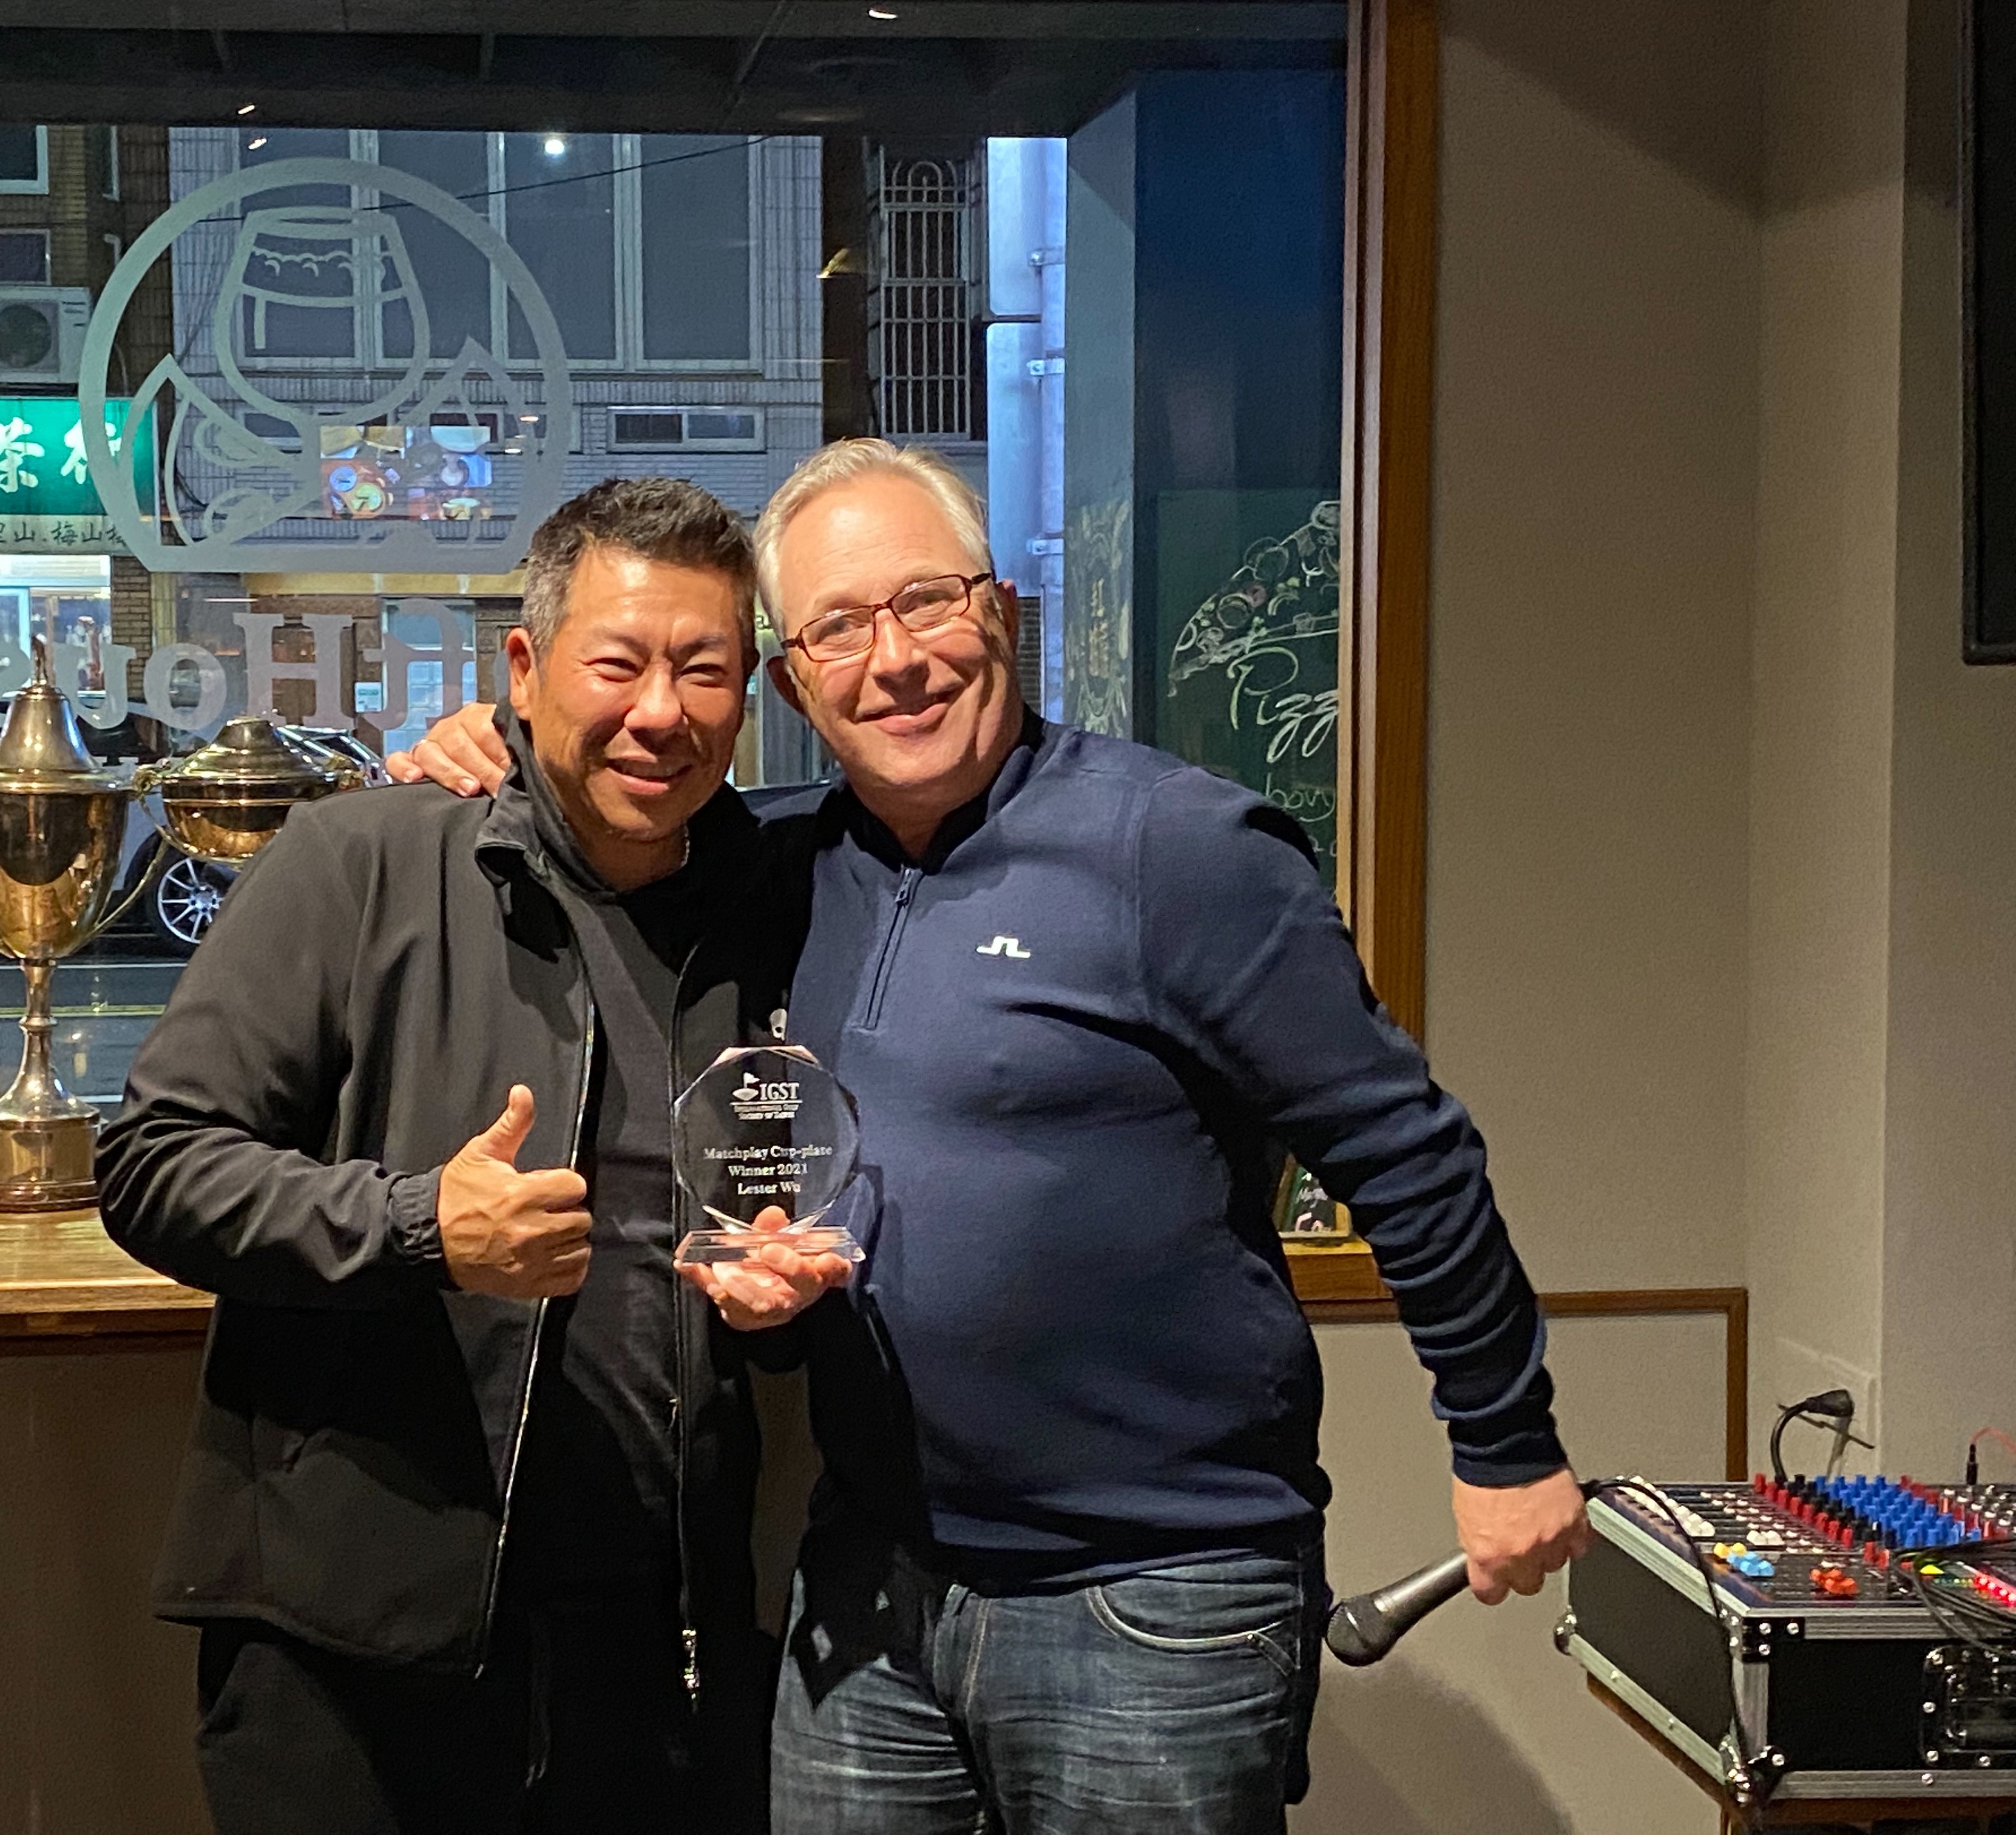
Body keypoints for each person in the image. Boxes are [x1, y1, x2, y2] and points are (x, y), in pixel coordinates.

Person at [390, 440, 1591, 1835]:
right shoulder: (779, 863)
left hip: (1152, 1596)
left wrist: (1506, 1443)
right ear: (794, 685)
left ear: (1002, 612)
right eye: (839, 628)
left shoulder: (1180, 851)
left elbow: (1408, 1154)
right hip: (871, 1584)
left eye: (928, 603)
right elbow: (612, 810)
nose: (894, 660)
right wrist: (497, 756)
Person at [95, 477, 844, 1835]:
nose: (660, 711)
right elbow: (152, 1160)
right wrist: (419, 1227)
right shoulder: (361, 860)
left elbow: (785, 1196)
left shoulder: (775, 901)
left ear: (751, 692)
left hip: (660, 1638)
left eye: (705, 669)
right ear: (525, 667)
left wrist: (783, 1297)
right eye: (616, 663)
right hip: (356, 1644)